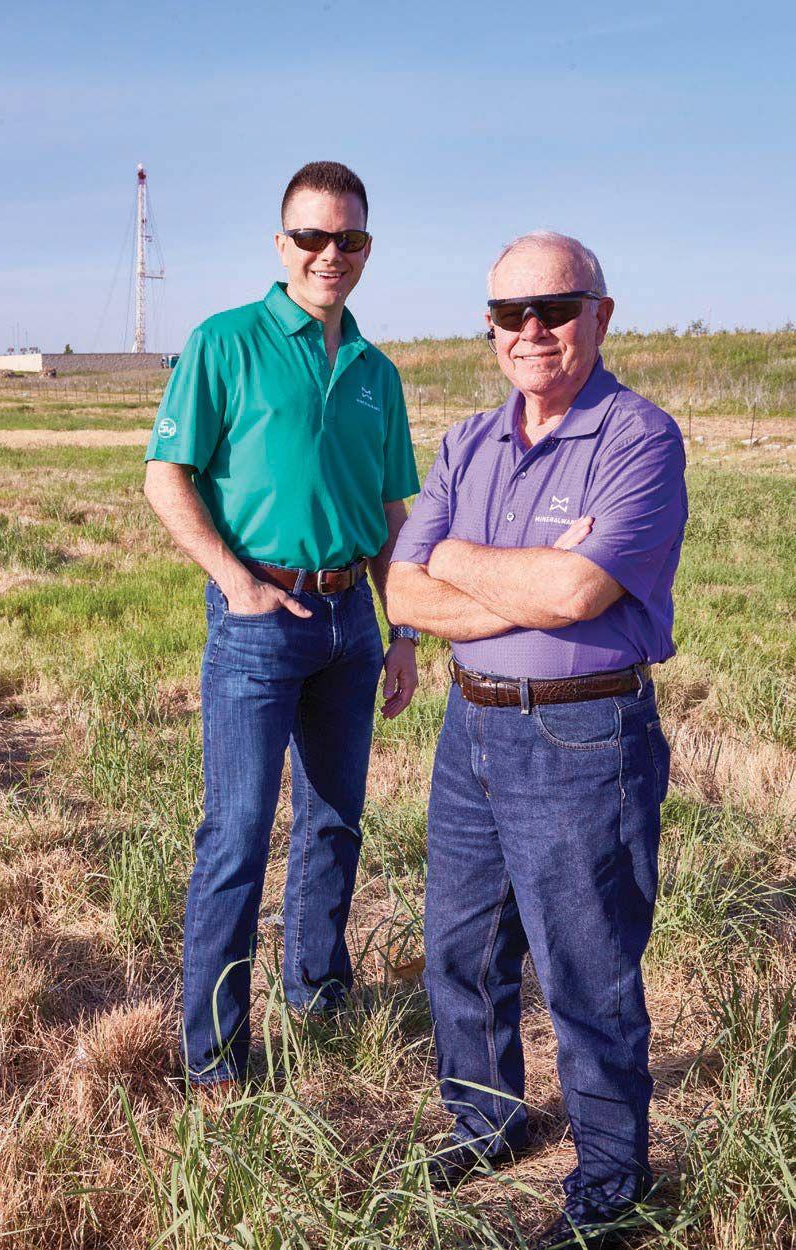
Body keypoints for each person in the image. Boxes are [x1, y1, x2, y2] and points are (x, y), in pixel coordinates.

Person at [387, 231, 686, 1249]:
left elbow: (575, 591)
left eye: (553, 308)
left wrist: (459, 562)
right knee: (461, 948)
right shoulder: (466, 441)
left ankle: (611, 1175)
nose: (531, 330)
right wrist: (515, 578)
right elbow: (403, 590)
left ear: (599, 314)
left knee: (585, 966)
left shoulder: (637, 437)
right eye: (508, 314)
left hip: (582, 732)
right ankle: (485, 1121)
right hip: (470, 722)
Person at [144, 161, 421, 1089]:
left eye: (348, 239)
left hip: (352, 625)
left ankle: (318, 995)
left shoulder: (377, 372)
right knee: (237, 836)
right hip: (260, 619)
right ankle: (216, 1062)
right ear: (281, 244)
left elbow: (390, 514)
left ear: (367, 248)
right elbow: (166, 477)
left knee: (336, 822)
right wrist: (236, 583)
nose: (329, 254)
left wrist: (405, 632)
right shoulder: (225, 342)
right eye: (311, 236)